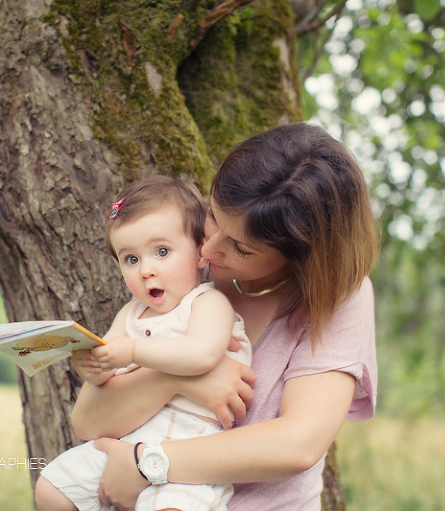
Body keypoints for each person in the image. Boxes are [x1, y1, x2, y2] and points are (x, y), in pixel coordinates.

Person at [69, 122, 380, 510]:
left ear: (299, 255)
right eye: (213, 217)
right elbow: (89, 421)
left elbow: (298, 444)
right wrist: (177, 377)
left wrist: (147, 463)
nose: (210, 249)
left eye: (240, 248)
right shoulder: (176, 266)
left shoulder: (338, 297)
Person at [35, 175, 253, 511]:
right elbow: (106, 370)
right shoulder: (131, 314)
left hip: (192, 451)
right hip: (130, 441)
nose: (146, 270)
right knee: (52, 488)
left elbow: (203, 354)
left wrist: (134, 351)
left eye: (162, 252)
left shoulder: (207, 303)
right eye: (131, 259)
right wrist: (92, 367)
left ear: (199, 252)